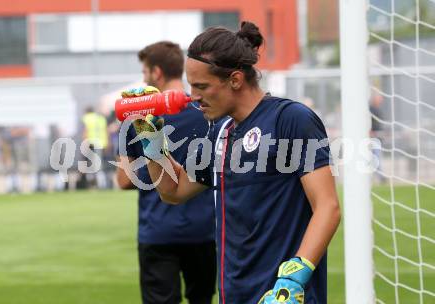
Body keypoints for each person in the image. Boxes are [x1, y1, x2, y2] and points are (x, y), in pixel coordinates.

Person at [132, 22, 341, 304]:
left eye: (201, 86)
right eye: (191, 85)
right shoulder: (220, 133)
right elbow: (173, 191)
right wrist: (150, 138)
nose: (193, 96)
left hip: (284, 297)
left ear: (235, 79)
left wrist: (293, 279)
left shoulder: (291, 119)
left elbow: (327, 207)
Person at [116, 41, 216, 304]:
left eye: (145, 72)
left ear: (156, 72)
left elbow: (124, 180)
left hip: (157, 230)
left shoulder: (138, 117)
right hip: (203, 229)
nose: (144, 78)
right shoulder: (208, 112)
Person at [80, 107, 108, 189]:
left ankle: (92, 185)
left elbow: (85, 131)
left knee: (91, 165)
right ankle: (102, 185)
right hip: (102, 143)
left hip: (91, 143)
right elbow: (106, 131)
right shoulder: (101, 118)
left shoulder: (86, 118)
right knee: (99, 165)